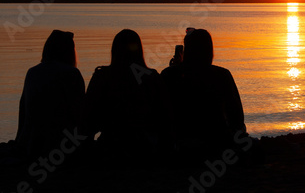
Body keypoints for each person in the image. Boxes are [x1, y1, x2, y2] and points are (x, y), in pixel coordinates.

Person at [82, 29, 170, 163]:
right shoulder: (152, 78)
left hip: (110, 147)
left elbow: (88, 120)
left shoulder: (102, 77)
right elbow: (165, 118)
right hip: (145, 150)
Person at [161, 29, 247, 162]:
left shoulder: (168, 75)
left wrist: (175, 70)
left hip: (180, 144)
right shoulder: (222, 75)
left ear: (187, 50)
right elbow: (237, 117)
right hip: (216, 142)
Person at [15, 30, 85, 160]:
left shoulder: (32, 72)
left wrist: (19, 142)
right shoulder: (72, 74)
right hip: (61, 146)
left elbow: (23, 112)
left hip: (33, 145)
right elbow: (79, 114)